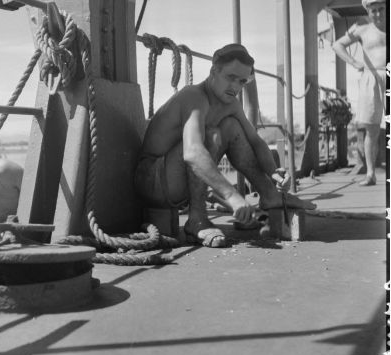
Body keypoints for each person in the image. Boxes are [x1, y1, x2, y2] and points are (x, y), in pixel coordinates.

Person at [134, 43, 316, 247]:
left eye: (242, 81)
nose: (236, 87)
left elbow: (255, 141)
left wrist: (274, 173)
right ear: (214, 72)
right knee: (210, 135)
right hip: (152, 181)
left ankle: (270, 195)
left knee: (231, 127)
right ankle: (197, 219)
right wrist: (231, 196)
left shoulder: (231, 104)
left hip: (175, 179)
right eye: (230, 78)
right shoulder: (193, 97)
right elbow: (192, 153)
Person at [332, 0, 387, 186]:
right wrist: (354, 62)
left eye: (382, 8)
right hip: (370, 79)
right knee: (371, 129)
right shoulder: (362, 27)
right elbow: (338, 45)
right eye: (374, 11)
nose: (379, 14)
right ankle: (371, 174)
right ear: (368, 12)